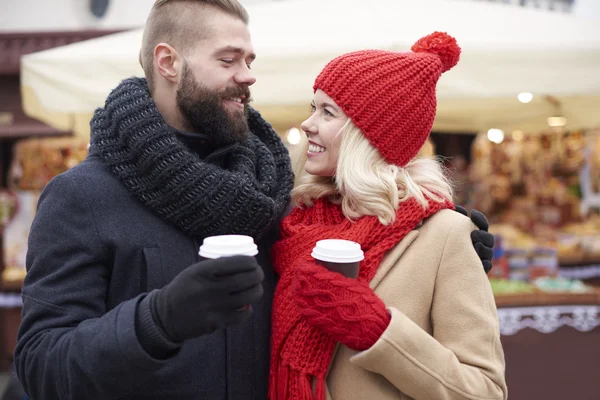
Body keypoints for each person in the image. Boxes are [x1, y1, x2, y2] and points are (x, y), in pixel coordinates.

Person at [14, 1, 494, 399]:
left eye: (250, 61)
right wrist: (157, 320)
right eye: (228, 60)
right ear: (168, 62)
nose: (248, 76)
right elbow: (40, 367)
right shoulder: (83, 196)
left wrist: (425, 239)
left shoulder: (272, 195)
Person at [269, 32, 507, 400]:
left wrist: (380, 333)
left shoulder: (444, 234)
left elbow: (485, 391)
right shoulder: (295, 222)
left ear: (369, 135)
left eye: (327, 112)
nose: (308, 124)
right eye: (312, 107)